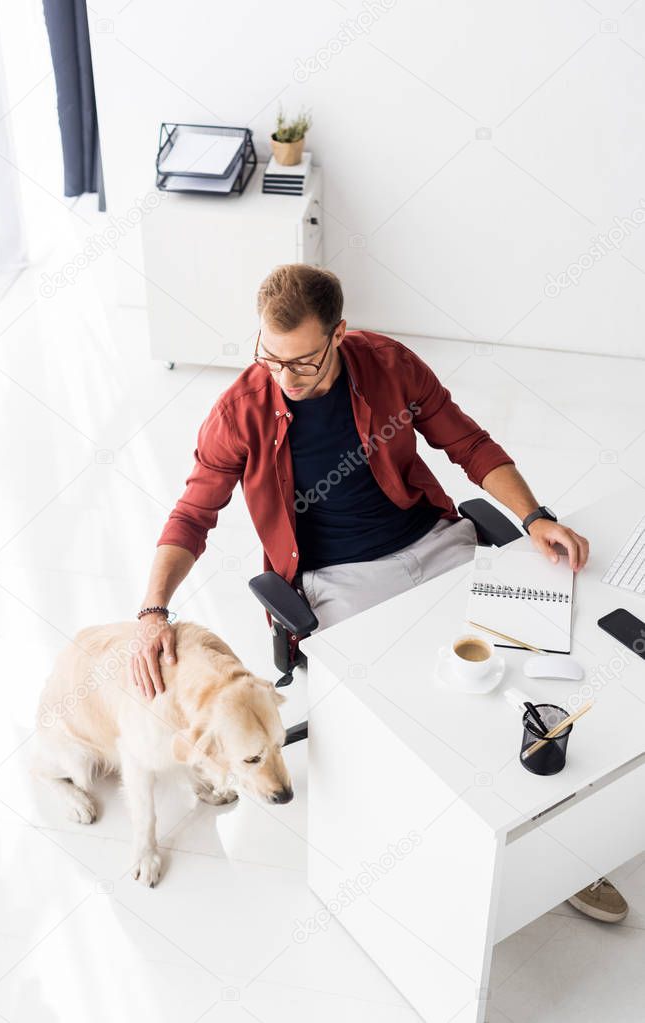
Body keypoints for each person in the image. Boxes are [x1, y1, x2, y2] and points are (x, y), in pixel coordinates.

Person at [132, 263, 626, 925]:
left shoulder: (387, 363)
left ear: (339, 333)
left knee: (532, 662)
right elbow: (192, 514)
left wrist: (534, 516)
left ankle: (555, 848)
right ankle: (434, 859)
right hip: (337, 578)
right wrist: (152, 609)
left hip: (433, 539)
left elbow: (467, 442)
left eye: (302, 360)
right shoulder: (240, 411)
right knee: (420, 710)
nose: (284, 376)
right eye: (268, 357)